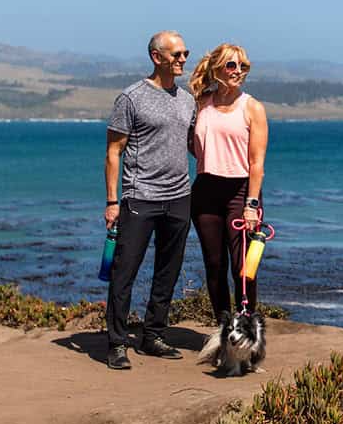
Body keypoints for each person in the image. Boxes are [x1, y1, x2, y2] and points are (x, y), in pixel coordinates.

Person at [103, 31, 197, 371]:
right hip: (139, 197)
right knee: (124, 271)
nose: (183, 59)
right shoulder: (132, 98)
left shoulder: (187, 100)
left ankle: (152, 335)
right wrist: (113, 201)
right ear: (157, 57)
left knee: (167, 271)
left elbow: (192, 146)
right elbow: (114, 151)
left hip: (179, 197)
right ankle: (116, 343)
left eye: (186, 53)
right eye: (177, 54)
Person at [187, 43, 269, 323]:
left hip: (241, 192)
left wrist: (251, 205)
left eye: (242, 66)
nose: (238, 71)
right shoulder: (200, 102)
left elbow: (257, 163)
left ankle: (246, 328)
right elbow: (191, 142)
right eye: (231, 65)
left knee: (243, 268)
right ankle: (224, 330)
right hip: (205, 191)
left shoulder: (252, 107)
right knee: (214, 264)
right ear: (217, 68)